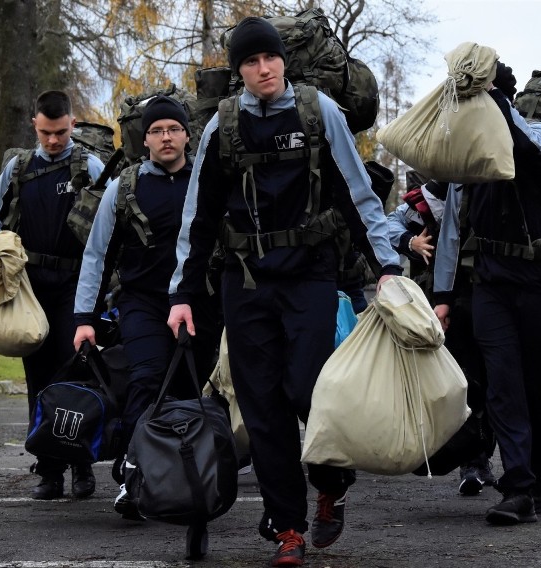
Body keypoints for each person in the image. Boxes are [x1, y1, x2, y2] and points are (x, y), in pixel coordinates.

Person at [166, 16, 402, 567]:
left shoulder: (319, 113)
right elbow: (196, 218)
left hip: (309, 276)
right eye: (249, 61)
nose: (262, 68)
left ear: (283, 61)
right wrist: (181, 293)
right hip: (244, 281)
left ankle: (331, 478)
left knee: (307, 390)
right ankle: (288, 528)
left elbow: (358, 195)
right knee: (261, 405)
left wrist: (386, 266)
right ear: (239, 70)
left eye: (269, 58)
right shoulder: (220, 128)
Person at [72, 95, 221, 519]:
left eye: (174, 128)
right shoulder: (126, 186)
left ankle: (185, 478)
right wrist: (84, 318)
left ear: (187, 135)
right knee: (148, 379)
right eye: (157, 130)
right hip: (143, 304)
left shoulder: (207, 181)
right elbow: (97, 254)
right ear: (146, 140)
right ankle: (131, 478)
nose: (166, 137)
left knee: (190, 392)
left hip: (201, 304)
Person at [433, 61, 541, 524]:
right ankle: (518, 489)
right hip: (489, 283)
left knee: (536, 384)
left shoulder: (539, 132)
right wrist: (444, 295)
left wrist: (498, 105)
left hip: (537, 281)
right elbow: (451, 229)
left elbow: (533, 150)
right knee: (502, 386)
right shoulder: (466, 155)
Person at [0, 90, 105, 500]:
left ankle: (83, 467)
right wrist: (0, 241)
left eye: (62, 132)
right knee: (38, 379)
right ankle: (48, 471)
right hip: (29, 289)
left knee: (76, 375)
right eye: (47, 132)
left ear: (72, 123)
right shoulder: (18, 168)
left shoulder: (90, 165)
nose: (54, 141)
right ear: (35, 123)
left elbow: (113, 217)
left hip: (75, 287)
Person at [386, 179, 497, 496]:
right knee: (459, 384)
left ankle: (481, 454)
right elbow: (385, 227)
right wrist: (410, 242)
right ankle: (472, 462)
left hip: (480, 299)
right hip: (437, 311)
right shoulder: (418, 203)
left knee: (488, 380)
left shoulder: (479, 193)